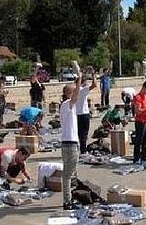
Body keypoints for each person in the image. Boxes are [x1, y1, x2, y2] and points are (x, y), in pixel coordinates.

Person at [59, 61, 82, 210]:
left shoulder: (65, 105)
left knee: (70, 172)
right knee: (68, 174)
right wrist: (78, 73)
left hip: (68, 142)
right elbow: (77, 92)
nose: (75, 93)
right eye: (72, 91)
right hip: (70, 143)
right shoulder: (68, 103)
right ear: (68, 93)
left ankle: (71, 197)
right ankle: (67, 202)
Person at [132, 81, 146, 164]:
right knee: (139, 140)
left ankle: (144, 157)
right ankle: (136, 158)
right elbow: (137, 111)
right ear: (145, 88)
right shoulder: (138, 97)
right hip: (140, 121)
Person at [75, 67, 97, 155]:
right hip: (84, 113)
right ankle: (83, 150)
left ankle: (79, 149)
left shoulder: (74, 90)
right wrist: (93, 74)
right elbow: (94, 84)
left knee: (78, 133)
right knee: (84, 133)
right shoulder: (82, 90)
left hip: (76, 114)